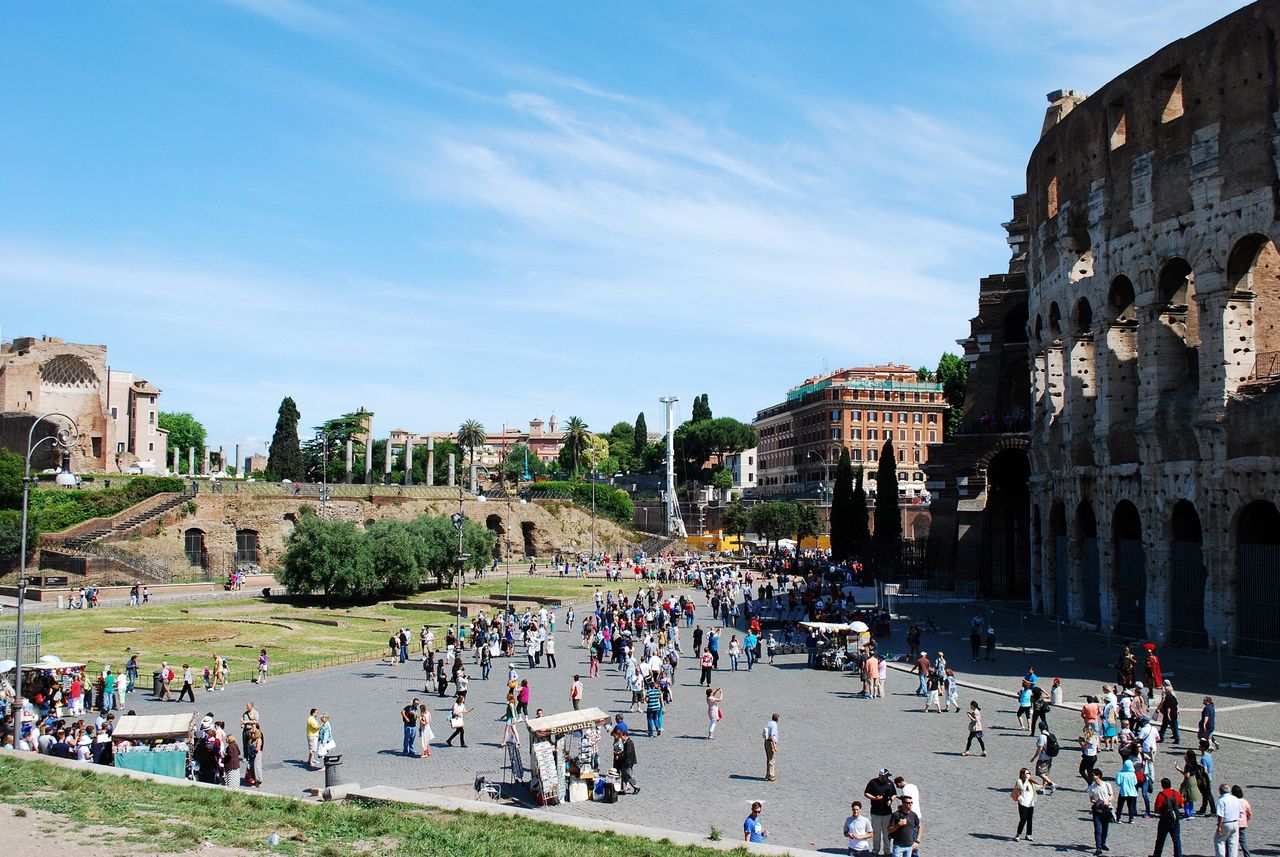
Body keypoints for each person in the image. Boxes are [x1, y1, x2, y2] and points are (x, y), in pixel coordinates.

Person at [864, 768, 896, 853]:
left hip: (887, 813)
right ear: (881, 776)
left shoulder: (890, 783)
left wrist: (891, 800)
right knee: (876, 833)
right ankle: (875, 850)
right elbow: (866, 793)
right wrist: (874, 798)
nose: (887, 778)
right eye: (886, 776)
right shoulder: (873, 783)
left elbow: (894, 794)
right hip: (876, 812)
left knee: (887, 833)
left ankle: (887, 851)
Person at [1152, 776, 1185, 857]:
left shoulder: (1161, 795)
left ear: (1162, 785)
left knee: (1160, 840)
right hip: (1175, 819)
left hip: (1164, 820)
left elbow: (1156, 808)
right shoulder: (1176, 793)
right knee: (1176, 840)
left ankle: (1157, 855)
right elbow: (1181, 804)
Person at [1086, 768, 1114, 856]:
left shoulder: (1107, 785)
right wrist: (1095, 801)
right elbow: (1091, 799)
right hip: (1097, 809)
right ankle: (1098, 847)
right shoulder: (1092, 787)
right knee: (1097, 829)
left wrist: (1107, 801)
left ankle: (1103, 843)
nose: (1092, 777)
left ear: (1098, 776)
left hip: (1106, 809)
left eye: (1093, 775)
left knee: (1105, 828)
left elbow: (1111, 795)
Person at [1215, 783, 1242, 857]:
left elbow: (1220, 815)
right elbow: (1240, 812)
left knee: (1219, 841)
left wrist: (1219, 826)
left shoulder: (1221, 800)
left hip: (1226, 823)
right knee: (1233, 843)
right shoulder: (1235, 798)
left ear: (1220, 791)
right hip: (1235, 822)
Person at [1012, 767, 1037, 841]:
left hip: (1030, 803)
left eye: (1029, 773)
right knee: (1023, 819)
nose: (1028, 774)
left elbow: (1035, 789)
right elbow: (1022, 788)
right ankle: (1017, 834)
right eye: (1026, 773)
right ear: (1022, 774)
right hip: (1023, 803)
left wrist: (1045, 785)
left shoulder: (1031, 782)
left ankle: (1028, 834)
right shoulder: (1019, 781)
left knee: (1030, 819)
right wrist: (1026, 780)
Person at [1030, 724, 1056, 794]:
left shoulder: (1042, 736)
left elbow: (1040, 748)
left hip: (1043, 757)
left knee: (1040, 773)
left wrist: (1034, 757)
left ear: (1039, 728)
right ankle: (1043, 788)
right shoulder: (1050, 735)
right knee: (1045, 773)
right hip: (1050, 757)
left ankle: (1051, 784)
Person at [613, 723, 639, 794]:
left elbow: (627, 753)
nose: (621, 738)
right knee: (624, 776)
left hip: (628, 762)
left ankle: (636, 787)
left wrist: (619, 754)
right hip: (626, 762)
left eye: (622, 736)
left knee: (629, 776)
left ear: (625, 736)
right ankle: (623, 789)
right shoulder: (626, 742)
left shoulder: (629, 743)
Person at [1115, 758, 1139, 822]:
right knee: (1130, 806)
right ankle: (1131, 819)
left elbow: (1117, 782)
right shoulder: (1133, 774)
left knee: (1120, 806)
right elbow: (1135, 783)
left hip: (1123, 791)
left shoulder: (1120, 773)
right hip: (1132, 792)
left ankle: (1118, 818)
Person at [1232, 785, 1252, 857]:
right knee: (1243, 841)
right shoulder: (1245, 801)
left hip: (1234, 823)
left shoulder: (1233, 801)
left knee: (1231, 841)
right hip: (1243, 823)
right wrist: (1247, 820)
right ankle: (1247, 855)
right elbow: (1249, 812)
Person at [763, 712, 779, 781]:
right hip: (771, 742)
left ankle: (767, 774)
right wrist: (774, 745)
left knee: (768, 759)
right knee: (772, 759)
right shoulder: (774, 724)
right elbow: (772, 735)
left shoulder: (769, 723)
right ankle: (771, 775)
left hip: (766, 742)